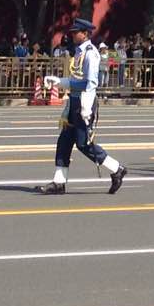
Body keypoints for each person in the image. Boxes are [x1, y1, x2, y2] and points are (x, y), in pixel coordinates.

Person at [37, 18, 127, 196]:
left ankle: (117, 169)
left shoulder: (91, 53)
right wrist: (59, 82)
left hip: (85, 102)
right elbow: (76, 80)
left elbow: (90, 83)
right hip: (74, 101)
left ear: (85, 34)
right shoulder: (78, 52)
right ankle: (59, 182)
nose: (72, 34)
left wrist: (86, 106)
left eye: (75, 32)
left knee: (83, 143)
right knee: (64, 141)